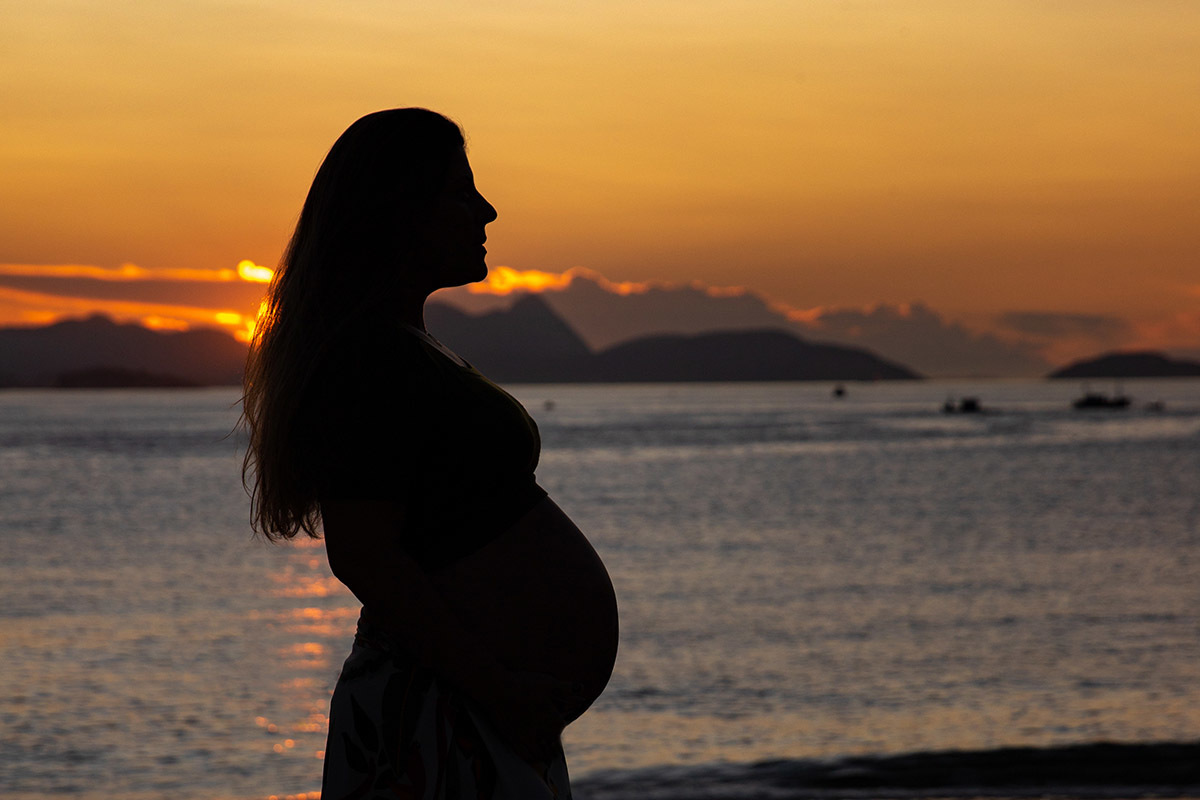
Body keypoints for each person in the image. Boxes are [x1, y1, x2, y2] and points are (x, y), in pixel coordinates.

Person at [242, 108, 619, 799]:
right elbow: (362, 552)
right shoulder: (368, 360)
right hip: (436, 717)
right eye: (460, 191)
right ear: (399, 212)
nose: (487, 210)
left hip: (467, 712)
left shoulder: (404, 348)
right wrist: (496, 689)